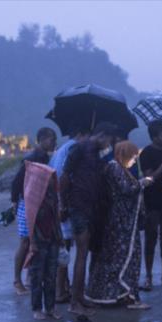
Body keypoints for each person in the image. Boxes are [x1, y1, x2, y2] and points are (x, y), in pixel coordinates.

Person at [86, 141, 153, 308]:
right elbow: (126, 189)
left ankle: (121, 294)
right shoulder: (114, 167)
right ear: (124, 154)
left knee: (116, 259)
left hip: (119, 222)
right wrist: (142, 183)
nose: (133, 161)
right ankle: (128, 296)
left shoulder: (118, 168)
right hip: (121, 224)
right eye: (132, 157)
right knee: (125, 257)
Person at [60, 123, 117, 315]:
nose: (110, 144)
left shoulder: (98, 152)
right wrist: (62, 205)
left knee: (87, 252)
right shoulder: (79, 149)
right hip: (79, 206)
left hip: (93, 207)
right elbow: (65, 176)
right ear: (102, 135)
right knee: (82, 253)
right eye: (109, 140)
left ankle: (80, 297)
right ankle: (74, 302)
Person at [13, 159, 63, 320]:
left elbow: (56, 218)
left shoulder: (53, 196)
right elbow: (32, 222)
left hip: (53, 239)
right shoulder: (32, 198)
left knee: (51, 275)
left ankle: (50, 307)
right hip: (39, 241)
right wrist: (33, 243)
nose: (50, 181)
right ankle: (37, 308)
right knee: (37, 276)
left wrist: (60, 238)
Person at [12, 127, 57, 296]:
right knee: (25, 241)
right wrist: (15, 201)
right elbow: (17, 182)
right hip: (27, 203)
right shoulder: (32, 158)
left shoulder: (45, 157)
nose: (54, 142)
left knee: (34, 241)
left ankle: (30, 277)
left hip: (37, 203)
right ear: (42, 139)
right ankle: (17, 280)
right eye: (52, 139)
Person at [48, 128, 89, 304]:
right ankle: (60, 292)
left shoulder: (63, 149)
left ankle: (62, 288)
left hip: (56, 201)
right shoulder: (74, 148)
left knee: (62, 248)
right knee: (64, 249)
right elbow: (64, 177)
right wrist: (63, 204)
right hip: (63, 204)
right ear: (82, 134)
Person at [138, 120, 162, 291]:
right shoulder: (146, 154)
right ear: (154, 137)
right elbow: (150, 179)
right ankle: (148, 276)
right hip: (152, 202)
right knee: (150, 239)